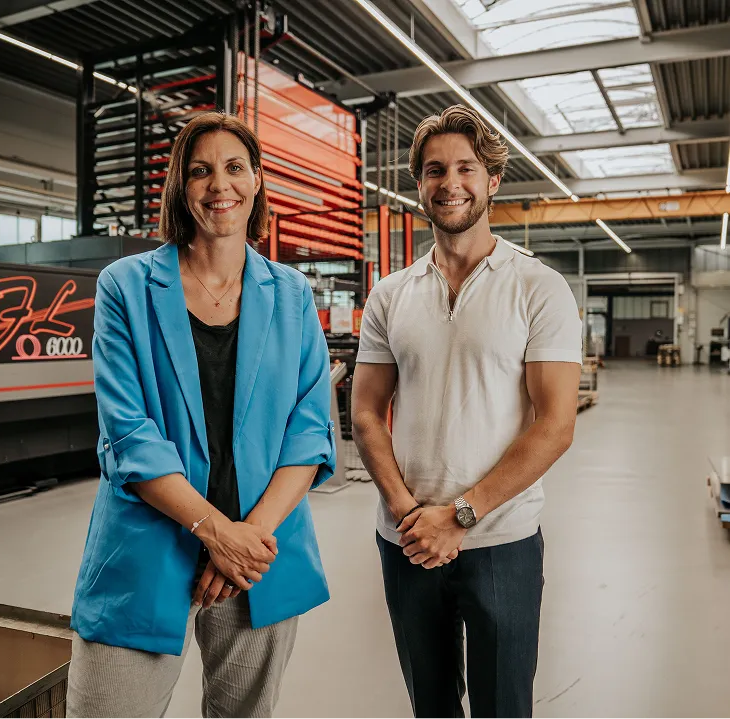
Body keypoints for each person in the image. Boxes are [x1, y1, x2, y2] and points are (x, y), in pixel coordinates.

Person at [67, 112, 336, 719]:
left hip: (260, 555)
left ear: (258, 180)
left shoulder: (292, 294)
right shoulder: (125, 288)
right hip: (150, 543)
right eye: (201, 171)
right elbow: (129, 434)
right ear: (181, 190)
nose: (221, 185)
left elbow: (309, 429)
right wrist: (218, 534)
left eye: (235, 167)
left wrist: (246, 542)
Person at [351, 105, 582, 719]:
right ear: (419, 184)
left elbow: (555, 425)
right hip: (405, 540)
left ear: (493, 180)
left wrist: (460, 515)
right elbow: (366, 414)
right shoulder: (390, 294)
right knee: (431, 706)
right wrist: (409, 515)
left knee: (504, 706)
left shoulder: (538, 286)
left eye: (465, 168)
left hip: (501, 540)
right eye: (433, 170)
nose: (449, 182)